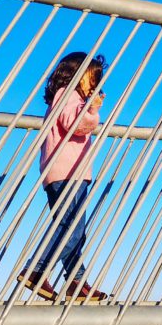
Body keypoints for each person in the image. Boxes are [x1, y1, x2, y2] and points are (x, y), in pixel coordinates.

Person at [18, 52, 109, 302]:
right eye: (92, 78)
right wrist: (91, 108)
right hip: (69, 173)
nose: (96, 84)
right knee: (73, 229)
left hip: (62, 173)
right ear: (76, 75)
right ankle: (37, 270)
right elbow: (75, 123)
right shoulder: (67, 96)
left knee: (70, 228)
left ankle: (76, 282)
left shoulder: (62, 98)